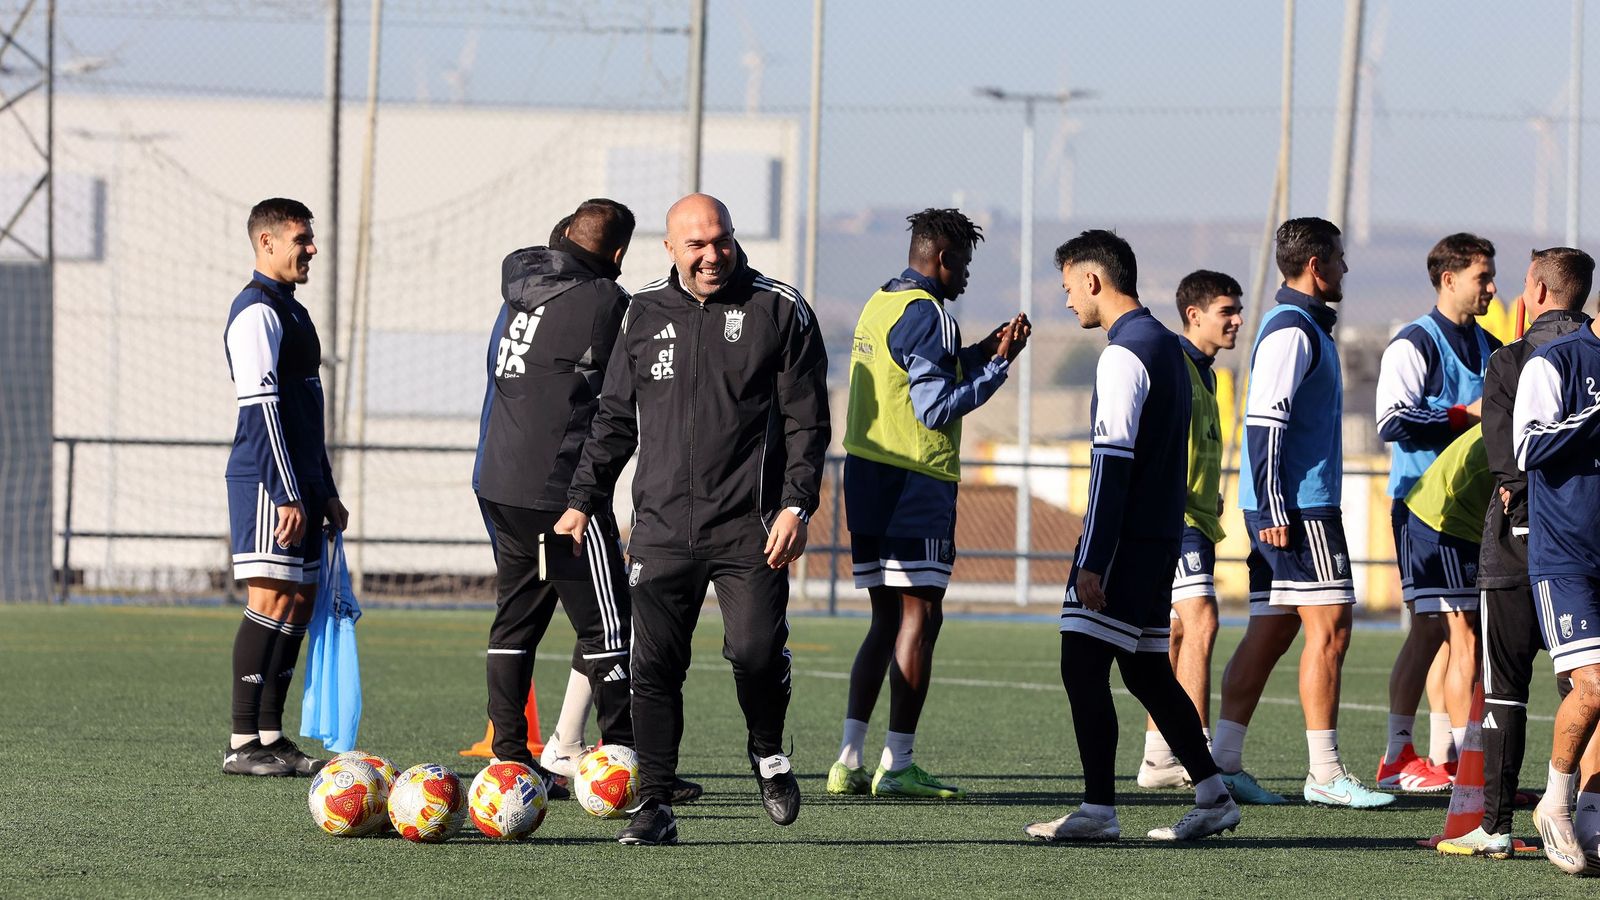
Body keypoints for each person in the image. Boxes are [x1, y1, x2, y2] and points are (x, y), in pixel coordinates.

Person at [555, 193, 830, 846]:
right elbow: (616, 417)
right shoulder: (642, 312)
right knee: (654, 668)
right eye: (697, 244)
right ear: (671, 248)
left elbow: (807, 422)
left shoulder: (780, 309)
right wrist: (580, 498)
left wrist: (796, 504)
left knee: (755, 652)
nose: (712, 255)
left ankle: (767, 751)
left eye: (721, 240)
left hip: (751, 526)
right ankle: (655, 804)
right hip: (660, 528)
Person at [475, 199, 709, 799]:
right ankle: (626, 761)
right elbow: (633, 383)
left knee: (517, 616)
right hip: (562, 494)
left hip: (499, 482)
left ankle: (510, 759)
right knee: (611, 626)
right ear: (621, 254)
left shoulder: (523, 284)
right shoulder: (607, 301)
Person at [1026, 230, 1240, 843]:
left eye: (1069, 288)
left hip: (1123, 545)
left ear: (1094, 281)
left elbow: (1112, 465)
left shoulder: (1125, 354)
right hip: (1158, 540)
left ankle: (1098, 808)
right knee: (1147, 671)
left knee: (1080, 662)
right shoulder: (1170, 349)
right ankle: (1212, 793)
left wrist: (1092, 559)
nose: (1068, 302)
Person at [826, 209, 1028, 801]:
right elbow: (935, 408)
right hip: (915, 481)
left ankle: (847, 760)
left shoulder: (878, 303)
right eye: (963, 263)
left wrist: (979, 349)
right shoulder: (932, 312)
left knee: (884, 620)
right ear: (942, 259)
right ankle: (900, 764)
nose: (965, 276)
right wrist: (998, 366)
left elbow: (916, 371)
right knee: (921, 618)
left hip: (866, 476)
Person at [1209, 217, 1393, 808]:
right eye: (1338, 258)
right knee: (1332, 629)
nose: (1344, 268)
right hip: (1298, 509)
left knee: (1272, 628)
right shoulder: (1292, 330)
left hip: (1288, 505)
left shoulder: (1304, 325)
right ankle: (1325, 774)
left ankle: (1224, 766)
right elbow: (1264, 424)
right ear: (1316, 265)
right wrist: (1272, 506)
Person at [1438, 246, 1598, 860]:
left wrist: (1525, 518)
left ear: (1534, 288)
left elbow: (1509, 460)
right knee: (1585, 688)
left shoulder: (1510, 359)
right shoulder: (1578, 355)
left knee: (1507, 688)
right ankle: (1584, 813)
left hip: (1521, 547)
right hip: (1580, 544)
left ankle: (1498, 825)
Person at [222, 198, 348, 777]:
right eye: (301, 238)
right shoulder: (256, 312)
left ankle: (271, 736)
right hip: (267, 481)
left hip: (298, 480)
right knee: (268, 598)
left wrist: (322, 489)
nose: (311, 249)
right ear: (266, 242)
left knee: (297, 601)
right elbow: (263, 410)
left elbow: (305, 410)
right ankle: (241, 741)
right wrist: (289, 491)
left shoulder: (292, 311)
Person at [1374, 233, 1501, 792]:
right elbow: (1391, 421)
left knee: (1447, 630)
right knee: (1449, 627)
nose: (1492, 288)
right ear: (1448, 279)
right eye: (1482, 277)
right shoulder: (1414, 343)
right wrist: (1462, 415)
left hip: (1471, 510)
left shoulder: (1491, 345)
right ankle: (1412, 756)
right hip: (1425, 508)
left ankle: (1438, 756)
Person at [1137, 270, 1243, 790]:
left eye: (1237, 310)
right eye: (1227, 311)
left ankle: (1159, 759)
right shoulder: (1172, 364)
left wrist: (1209, 494)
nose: (1237, 320)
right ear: (1193, 315)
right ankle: (1197, 756)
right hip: (1173, 520)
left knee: (1176, 634)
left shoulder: (1209, 374)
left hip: (1197, 518)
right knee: (1202, 623)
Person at [1513, 291, 1600, 875]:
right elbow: (1527, 445)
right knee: (1595, 684)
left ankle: (1592, 816)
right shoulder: (1558, 360)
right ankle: (1555, 803)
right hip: (1567, 555)